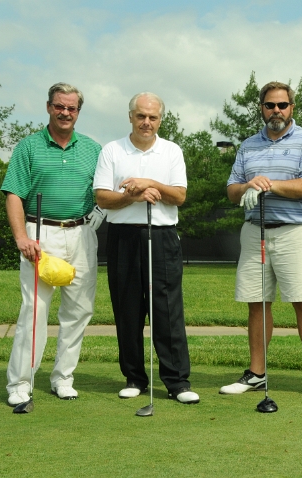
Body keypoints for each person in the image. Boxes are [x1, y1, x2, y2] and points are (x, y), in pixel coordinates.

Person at [222, 81, 302, 402]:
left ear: (291, 108)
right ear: (261, 108)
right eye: (270, 105)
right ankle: (257, 373)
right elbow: (231, 190)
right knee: (256, 303)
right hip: (254, 231)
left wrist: (267, 184)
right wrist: (247, 187)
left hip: (295, 233)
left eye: (282, 105)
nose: (276, 111)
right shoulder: (248, 146)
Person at [2, 82, 105, 406]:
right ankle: (20, 383)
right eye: (59, 106)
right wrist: (21, 237)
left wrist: (101, 214)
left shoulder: (93, 149)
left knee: (79, 311)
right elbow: (14, 195)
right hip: (40, 234)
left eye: (71, 108)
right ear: (49, 107)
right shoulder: (28, 147)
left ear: (78, 112)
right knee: (34, 310)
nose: (65, 112)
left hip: (81, 233)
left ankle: (63, 378)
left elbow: (106, 192)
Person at [93, 92, 199, 404]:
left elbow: (179, 196)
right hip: (123, 237)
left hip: (162, 235)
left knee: (167, 310)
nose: (146, 122)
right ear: (131, 117)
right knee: (127, 309)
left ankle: (177, 381)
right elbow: (102, 197)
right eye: (141, 116)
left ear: (160, 120)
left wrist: (148, 182)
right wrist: (133, 196)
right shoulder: (112, 150)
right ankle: (134, 378)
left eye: (152, 117)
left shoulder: (171, 151)